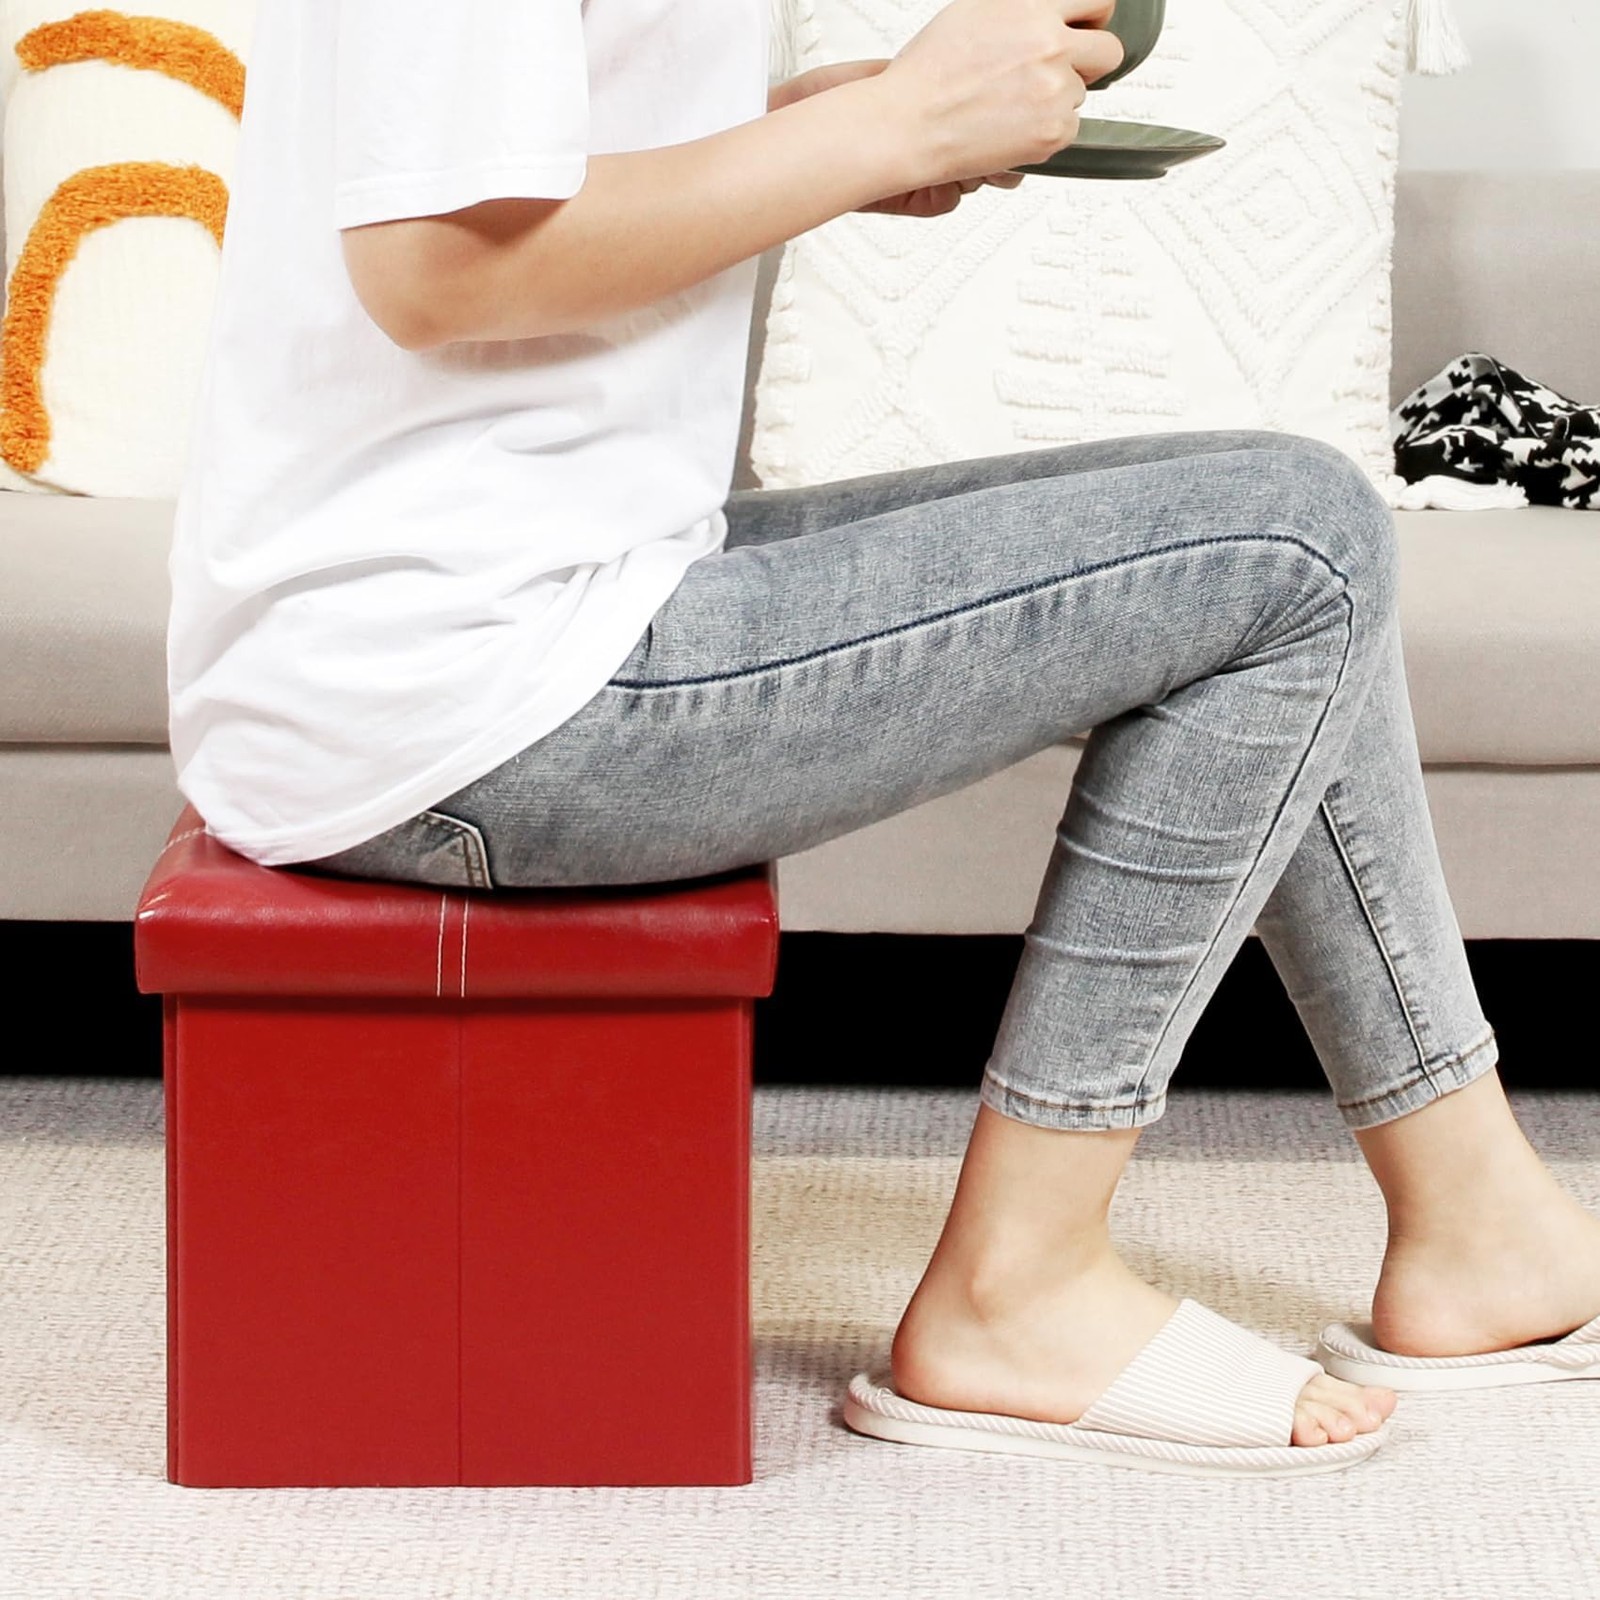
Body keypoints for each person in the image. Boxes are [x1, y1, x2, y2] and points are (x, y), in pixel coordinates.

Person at [165, 0, 1600, 1477]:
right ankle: (1015, 1287)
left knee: (1272, 528)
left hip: (475, 636)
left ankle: (1481, 1229)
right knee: (1297, 547)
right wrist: (889, 125)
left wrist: (825, 128)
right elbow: (432, 264)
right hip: (471, 697)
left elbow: (499, 158)